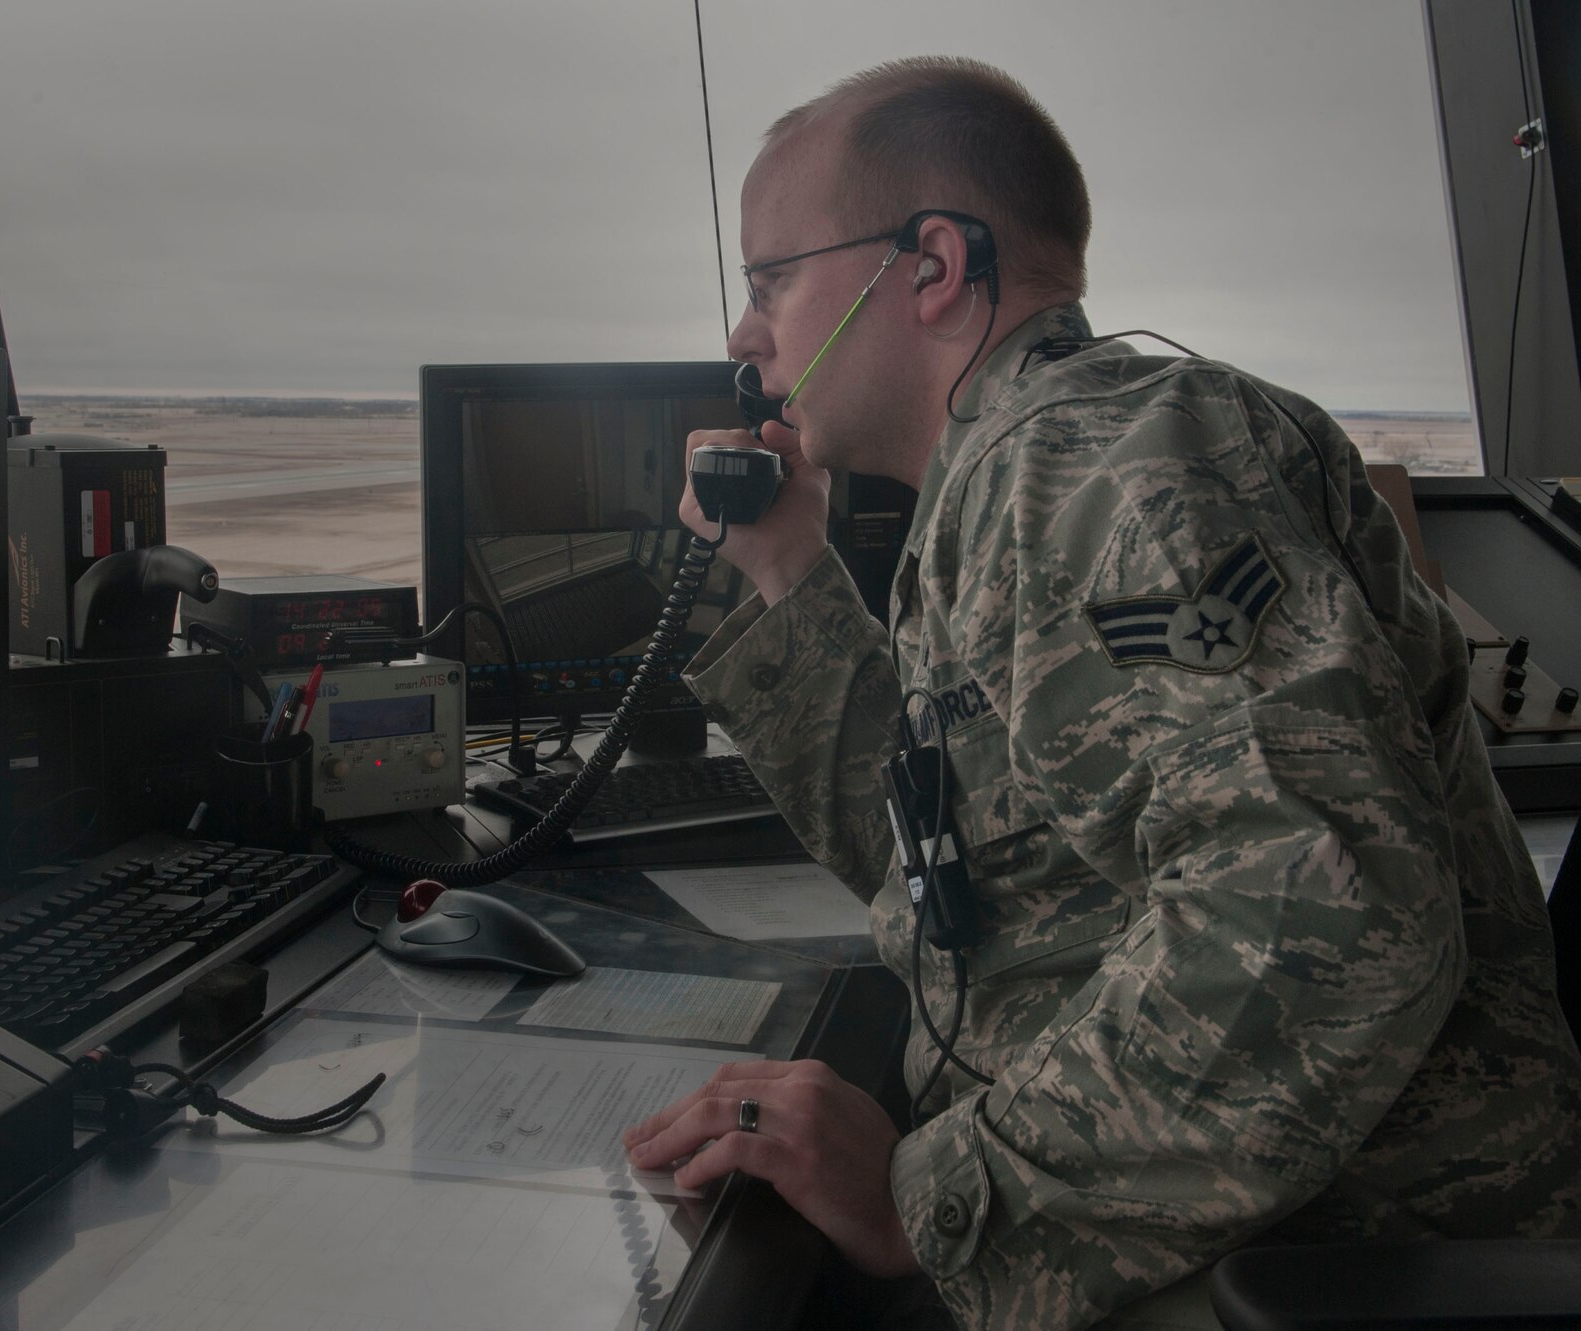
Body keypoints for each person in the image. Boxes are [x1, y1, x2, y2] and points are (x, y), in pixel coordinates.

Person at [620, 56, 1581, 1330]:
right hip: (1181, 1217)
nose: (744, 334)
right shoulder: (1006, 488)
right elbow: (952, 881)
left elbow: (1324, 917)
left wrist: (939, 1192)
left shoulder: (1108, 464)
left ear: (932, 267)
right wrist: (786, 567)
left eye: (770, 279)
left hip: (1316, 1253)